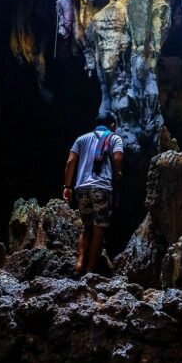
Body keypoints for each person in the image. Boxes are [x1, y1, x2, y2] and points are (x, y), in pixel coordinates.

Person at [63, 114, 123, 274]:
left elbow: (70, 163)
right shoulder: (114, 138)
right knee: (99, 229)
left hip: (81, 188)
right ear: (111, 125)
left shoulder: (81, 139)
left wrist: (67, 186)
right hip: (101, 188)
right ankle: (90, 271)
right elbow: (117, 157)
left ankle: (79, 265)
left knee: (86, 227)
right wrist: (116, 173)